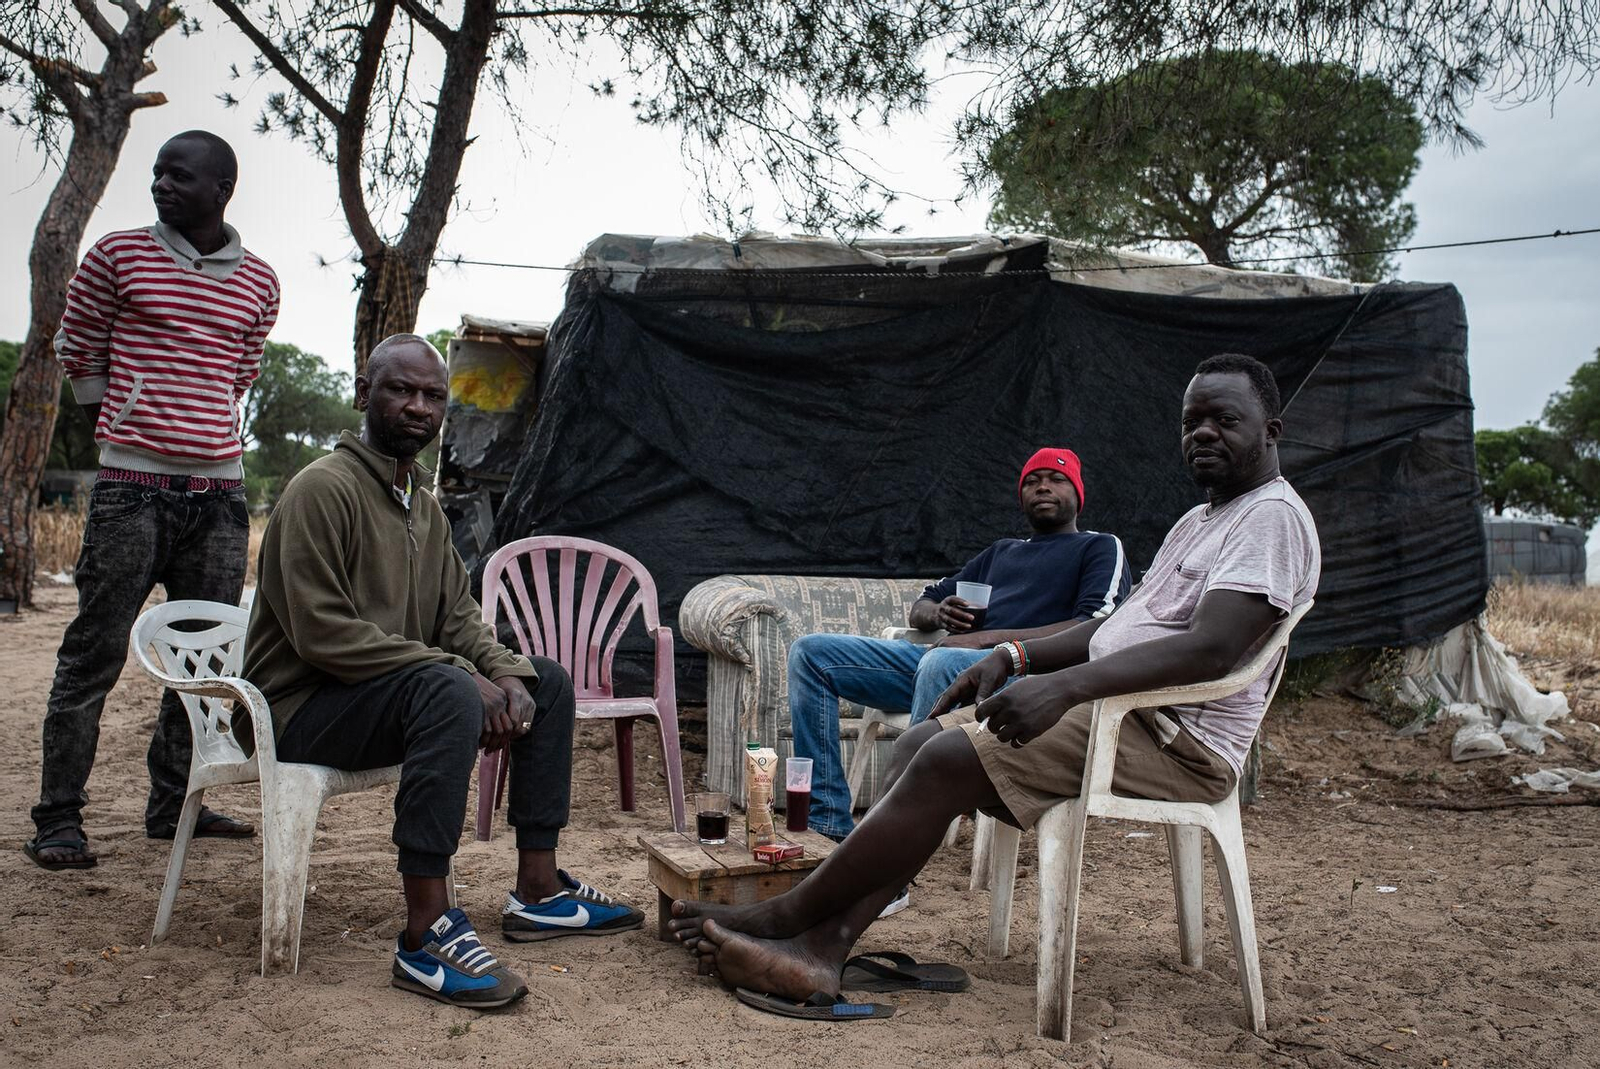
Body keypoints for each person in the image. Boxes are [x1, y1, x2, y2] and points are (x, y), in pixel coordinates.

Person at [668, 353, 1320, 1011]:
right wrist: (1012, 654)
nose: (1202, 433)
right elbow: (1115, 629)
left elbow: (1212, 648)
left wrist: (1067, 687)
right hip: (1125, 716)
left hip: (1175, 740)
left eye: (1223, 419)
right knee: (919, 743)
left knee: (948, 756)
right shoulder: (1198, 522)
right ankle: (823, 943)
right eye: (1192, 421)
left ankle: (786, 921)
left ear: (1271, 429)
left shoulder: (1271, 518)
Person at [243, 334, 643, 1010]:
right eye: (401, 389)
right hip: (298, 710)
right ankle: (425, 932)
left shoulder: (421, 509)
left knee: (546, 679)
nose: (418, 406)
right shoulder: (321, 490)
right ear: (363, 393)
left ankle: (539, 891)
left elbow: (458, 617)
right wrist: (465, 675)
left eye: (433, 395)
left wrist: (508, 676)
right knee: (447, 685)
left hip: (373, 699)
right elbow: (324, 635)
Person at [26, 131, 280, 871]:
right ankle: (58, 819)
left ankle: (176, 805)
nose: (161, 183)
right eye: (157, 172)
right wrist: (125, 428)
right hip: (130, 492)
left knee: (206, 658)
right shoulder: (117, 254)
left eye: (179, 174)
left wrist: (198, 437)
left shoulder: (260, 280)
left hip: (219, 496)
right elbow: (79, 346)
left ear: (222, 187)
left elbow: (243, 368)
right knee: (94, 651)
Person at [788, 447, 1129, 844]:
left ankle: (886, 844)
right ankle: (827, 823)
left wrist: (984, 640)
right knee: (811, 653)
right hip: (945, 666)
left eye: (1057, 479)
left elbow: (1096, 625)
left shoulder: (1099, 546)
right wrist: (939, 614)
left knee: (946, 658)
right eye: (1032, 481)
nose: (1043, 487)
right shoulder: (1002, 552)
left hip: (1019, 678)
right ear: (1020, 496)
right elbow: (924, 603)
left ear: (1078, 494)